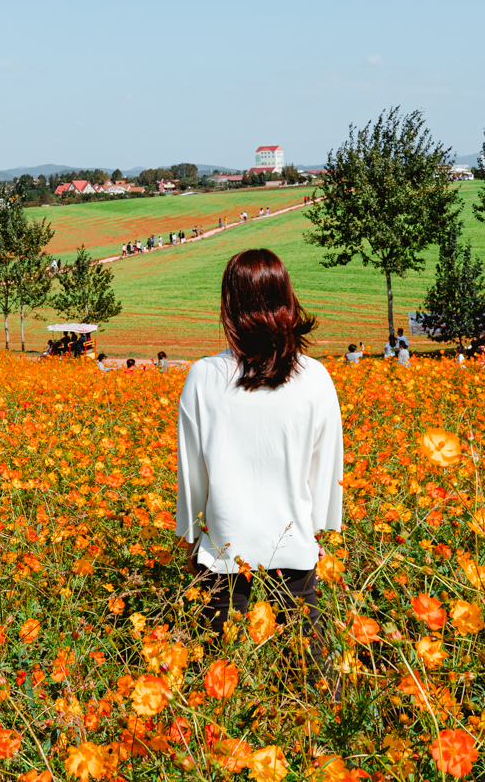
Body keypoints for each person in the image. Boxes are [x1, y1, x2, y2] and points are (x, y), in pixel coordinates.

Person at [175, 249, 342, 668]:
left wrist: (193, 532)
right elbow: (327, 466)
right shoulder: (316, 377)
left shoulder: (203, 376)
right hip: (295, 538)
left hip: (224, 542)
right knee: (309, 668)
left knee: (216, 671)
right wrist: (318, 528)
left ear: (229, 305)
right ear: (287, 300)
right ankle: (312, 728)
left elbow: (191, 468)